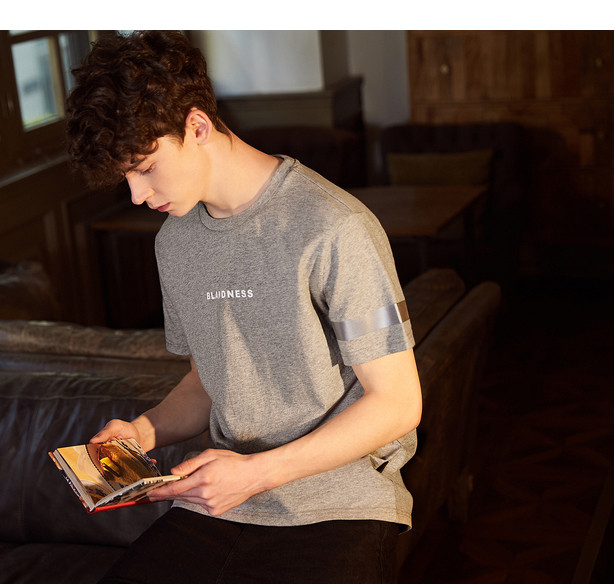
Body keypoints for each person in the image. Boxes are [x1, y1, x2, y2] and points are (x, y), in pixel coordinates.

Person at [66, 30, 422, 584]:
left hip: (339, 502)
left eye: (145, 167)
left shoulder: (334, 226)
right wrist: (142, 431)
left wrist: (256, 473)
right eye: (125, 176)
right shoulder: (175, 242)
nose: (136, 194)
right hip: (224, 502)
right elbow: (209, 380)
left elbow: (397, 404)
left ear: (197, 126)